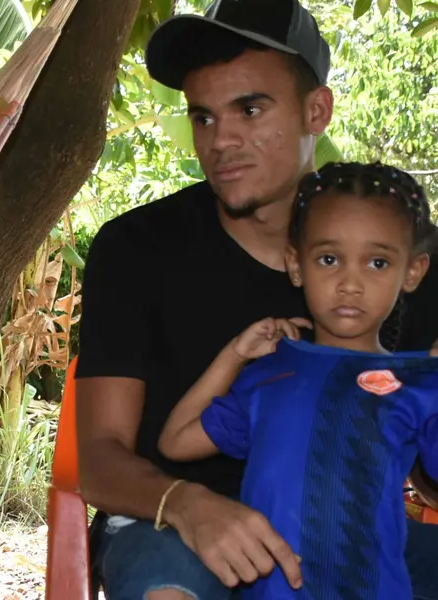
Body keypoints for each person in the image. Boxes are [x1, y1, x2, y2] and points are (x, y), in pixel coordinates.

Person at [74, 1, 438, 599]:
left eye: (249, 109)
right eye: (204, 118)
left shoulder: (396, 257)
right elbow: (99, 460)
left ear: (315, 111)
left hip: (349, 539)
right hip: (169, 526)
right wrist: (189, 505)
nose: (222, 140)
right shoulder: (138, 249)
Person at [157, 162, 438, 599]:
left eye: (377, 262)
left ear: (414, 272)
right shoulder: (273, 372)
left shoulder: (418, 383)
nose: (350, 283)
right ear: (295, 264)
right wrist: (233, 356)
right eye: (329, 259)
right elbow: (175, 441)